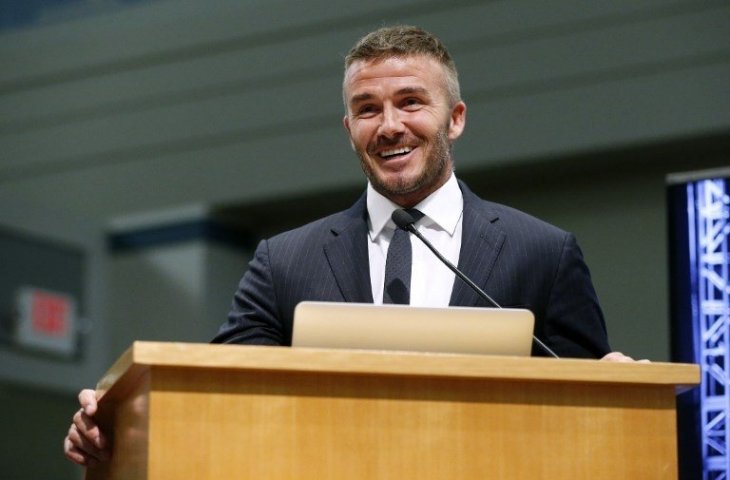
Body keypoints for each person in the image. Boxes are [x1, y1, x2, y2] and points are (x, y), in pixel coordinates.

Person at [64, 25, 638, 467]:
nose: (389, 125)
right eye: (367, 109)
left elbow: (586, 419)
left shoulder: (543, 252)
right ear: (349, 129)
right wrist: (120, 424)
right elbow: (221, 399)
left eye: (411, 102)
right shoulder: (283, 261)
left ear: (455, 119)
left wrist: (620, 395)